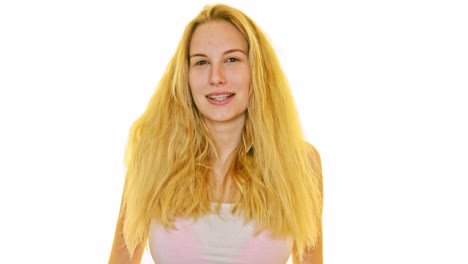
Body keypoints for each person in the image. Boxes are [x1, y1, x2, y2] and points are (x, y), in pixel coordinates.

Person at [109, 3, 323, 264]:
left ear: (256, 70)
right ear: (186, 75)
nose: (216, 77)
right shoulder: (152, 156)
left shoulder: (301, 163)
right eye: (201, 62)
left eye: (231, 59)